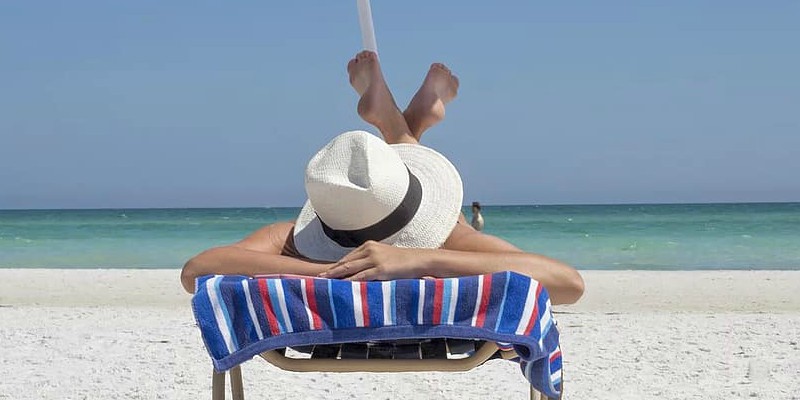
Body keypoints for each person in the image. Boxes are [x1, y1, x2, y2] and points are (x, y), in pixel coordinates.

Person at [180, 51, 584, 305]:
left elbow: (197, 269)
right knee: (448, 214)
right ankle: (398, 126)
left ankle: (400, 122)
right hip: (431, 256)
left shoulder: (289, 243)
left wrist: (327, 270)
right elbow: (568, 283)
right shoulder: (449, 238)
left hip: (325, 261)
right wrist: (419, 259)